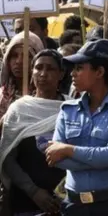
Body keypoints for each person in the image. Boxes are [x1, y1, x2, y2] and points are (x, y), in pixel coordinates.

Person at [47, 40, 108, 215]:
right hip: (74, 206)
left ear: (99, 72)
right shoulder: (68, 110)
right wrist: (102, 158)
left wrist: (68, 149)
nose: (72, 74)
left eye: (79, 68)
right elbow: (55, 158)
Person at [0, 50, 67, 216]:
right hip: (26, 202)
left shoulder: (71, 108)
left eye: (50, 69)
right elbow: (7, 157)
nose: (43, 74)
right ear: (32, 71)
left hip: (65, 200)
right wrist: (34, 192)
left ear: (61, 74)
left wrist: (64, 192)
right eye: (38, 68)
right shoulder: (19, 109)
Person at [0, 32, 45, 120]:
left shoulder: (48, 98)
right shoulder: (2, 95)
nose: (19, 61)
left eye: (27, 56)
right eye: (14, 55)